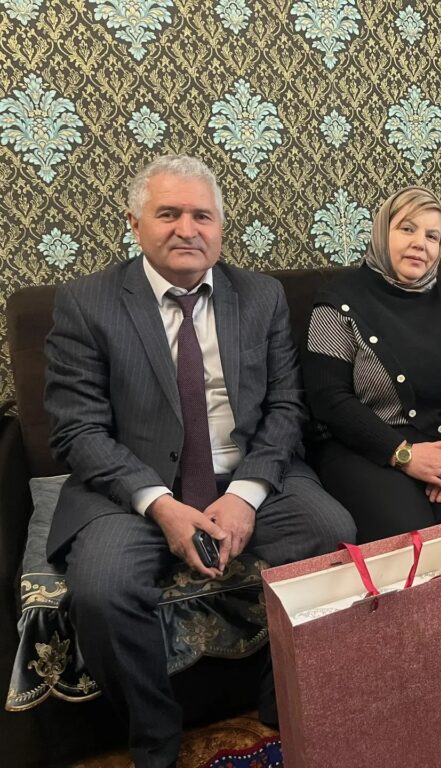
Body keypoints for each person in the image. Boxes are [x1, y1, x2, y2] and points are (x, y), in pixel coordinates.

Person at [43, 155, 356, 767]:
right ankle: (154, 739)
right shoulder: (86, 302)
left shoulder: (260, 296)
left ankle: (281, 702)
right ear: (135, 223)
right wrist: (159, 504)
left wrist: (245, 494)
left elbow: (286, 408)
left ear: (220, 227)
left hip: (244, 471)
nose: (187, 229)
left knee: (331, 533)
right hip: (131, 489)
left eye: (202, 216)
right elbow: (77, 430)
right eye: (168, 214)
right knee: (102, 589)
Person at [303, 186, 441, 543]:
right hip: (365, 447)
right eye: (407, 229)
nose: (419, 244)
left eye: (432, 236)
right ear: (383, 232)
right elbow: (328, 398)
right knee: (407, 531)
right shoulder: (337, 301)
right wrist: (403, 455)